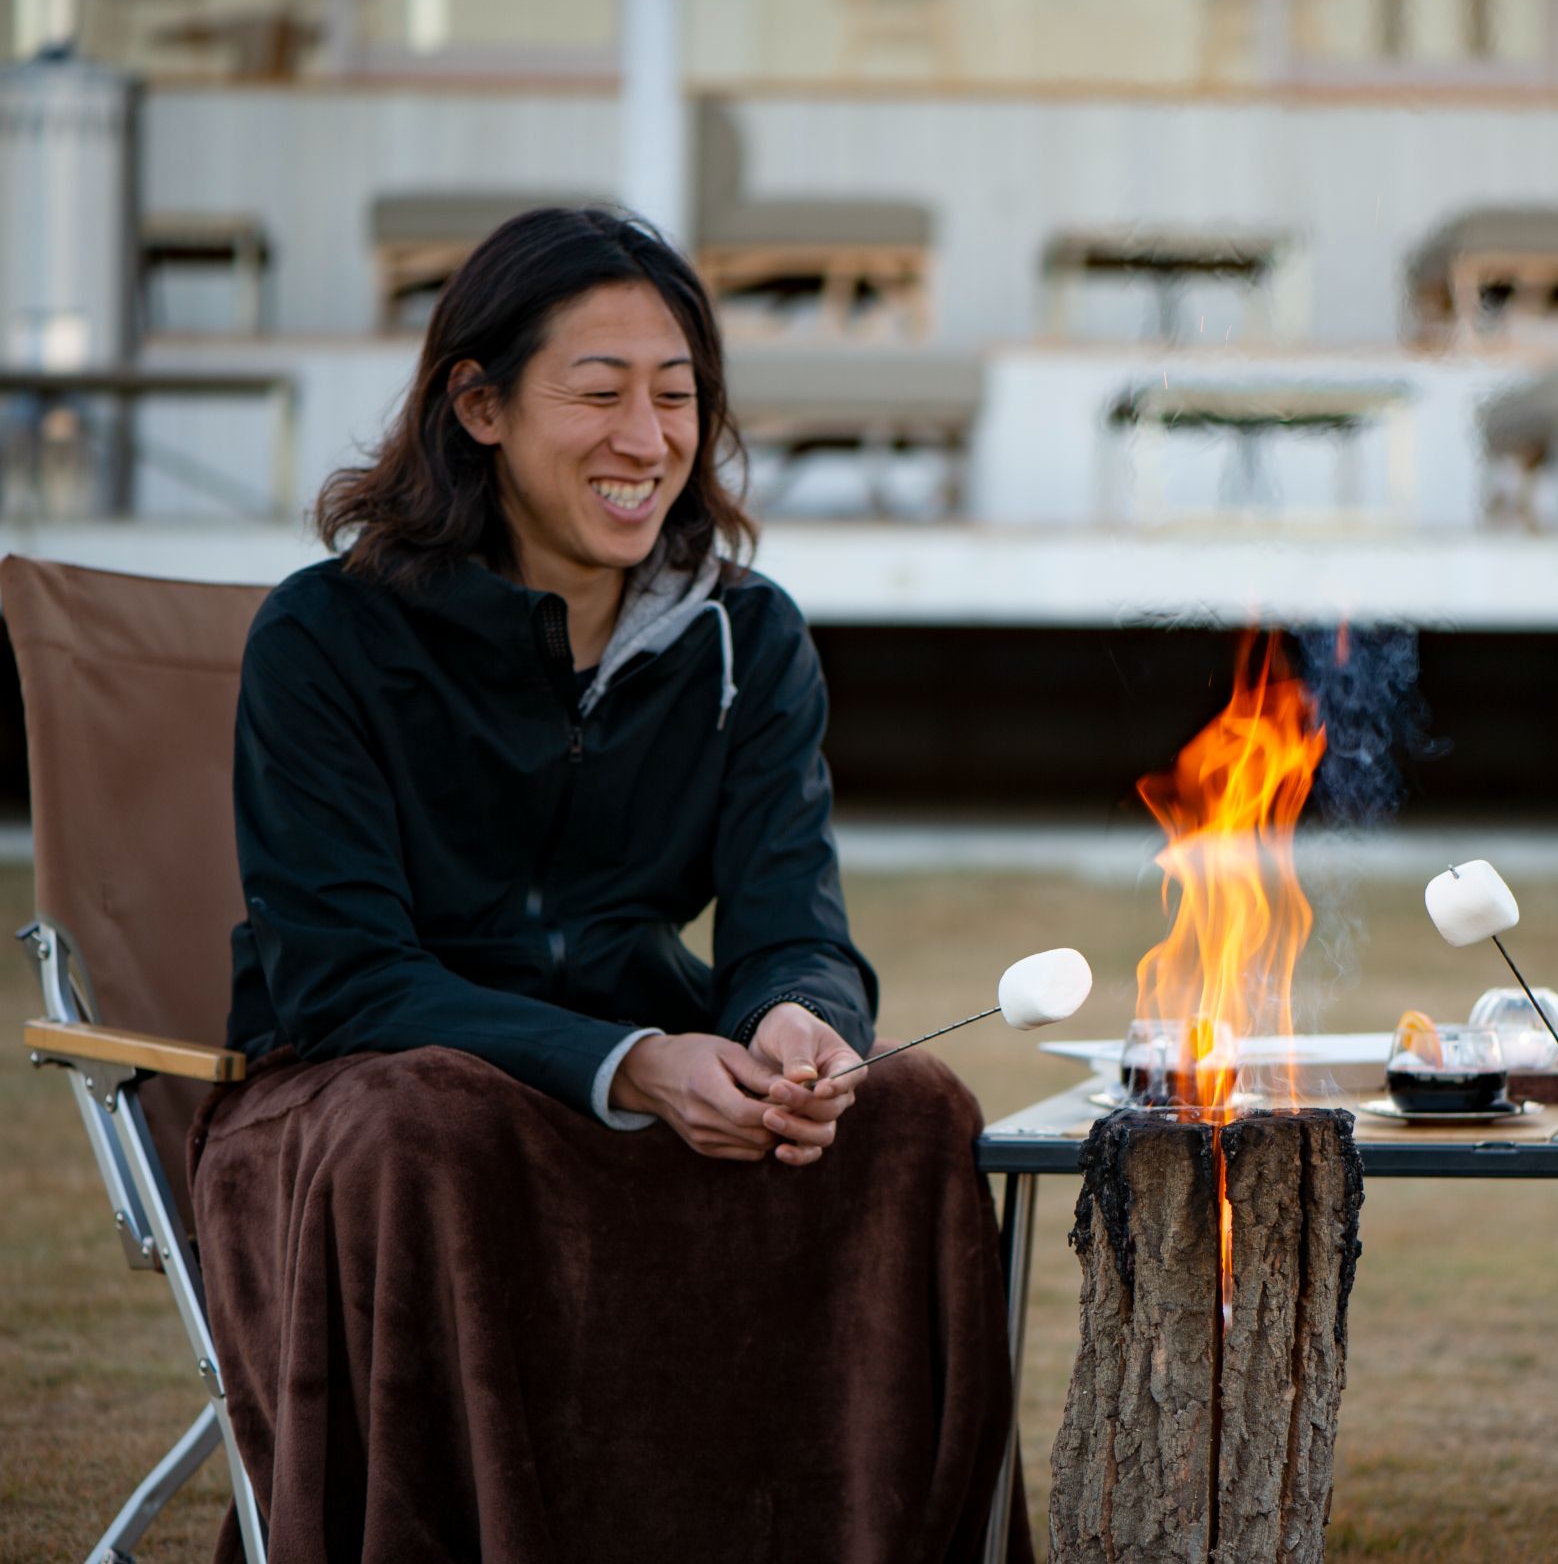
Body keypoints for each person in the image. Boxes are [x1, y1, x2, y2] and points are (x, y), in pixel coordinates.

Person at [194, 207, 1019, 1564]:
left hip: (630, 1094)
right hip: (357, 1097)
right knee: (430, 1125)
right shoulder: (325, 637)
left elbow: (791, 922)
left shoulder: (746, 639)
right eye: (599, 391)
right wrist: (633, 1063)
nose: (648, 438)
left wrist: (799, 1022)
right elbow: (343, 975)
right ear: (478, 405)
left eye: (678, 395)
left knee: (909, 1107)